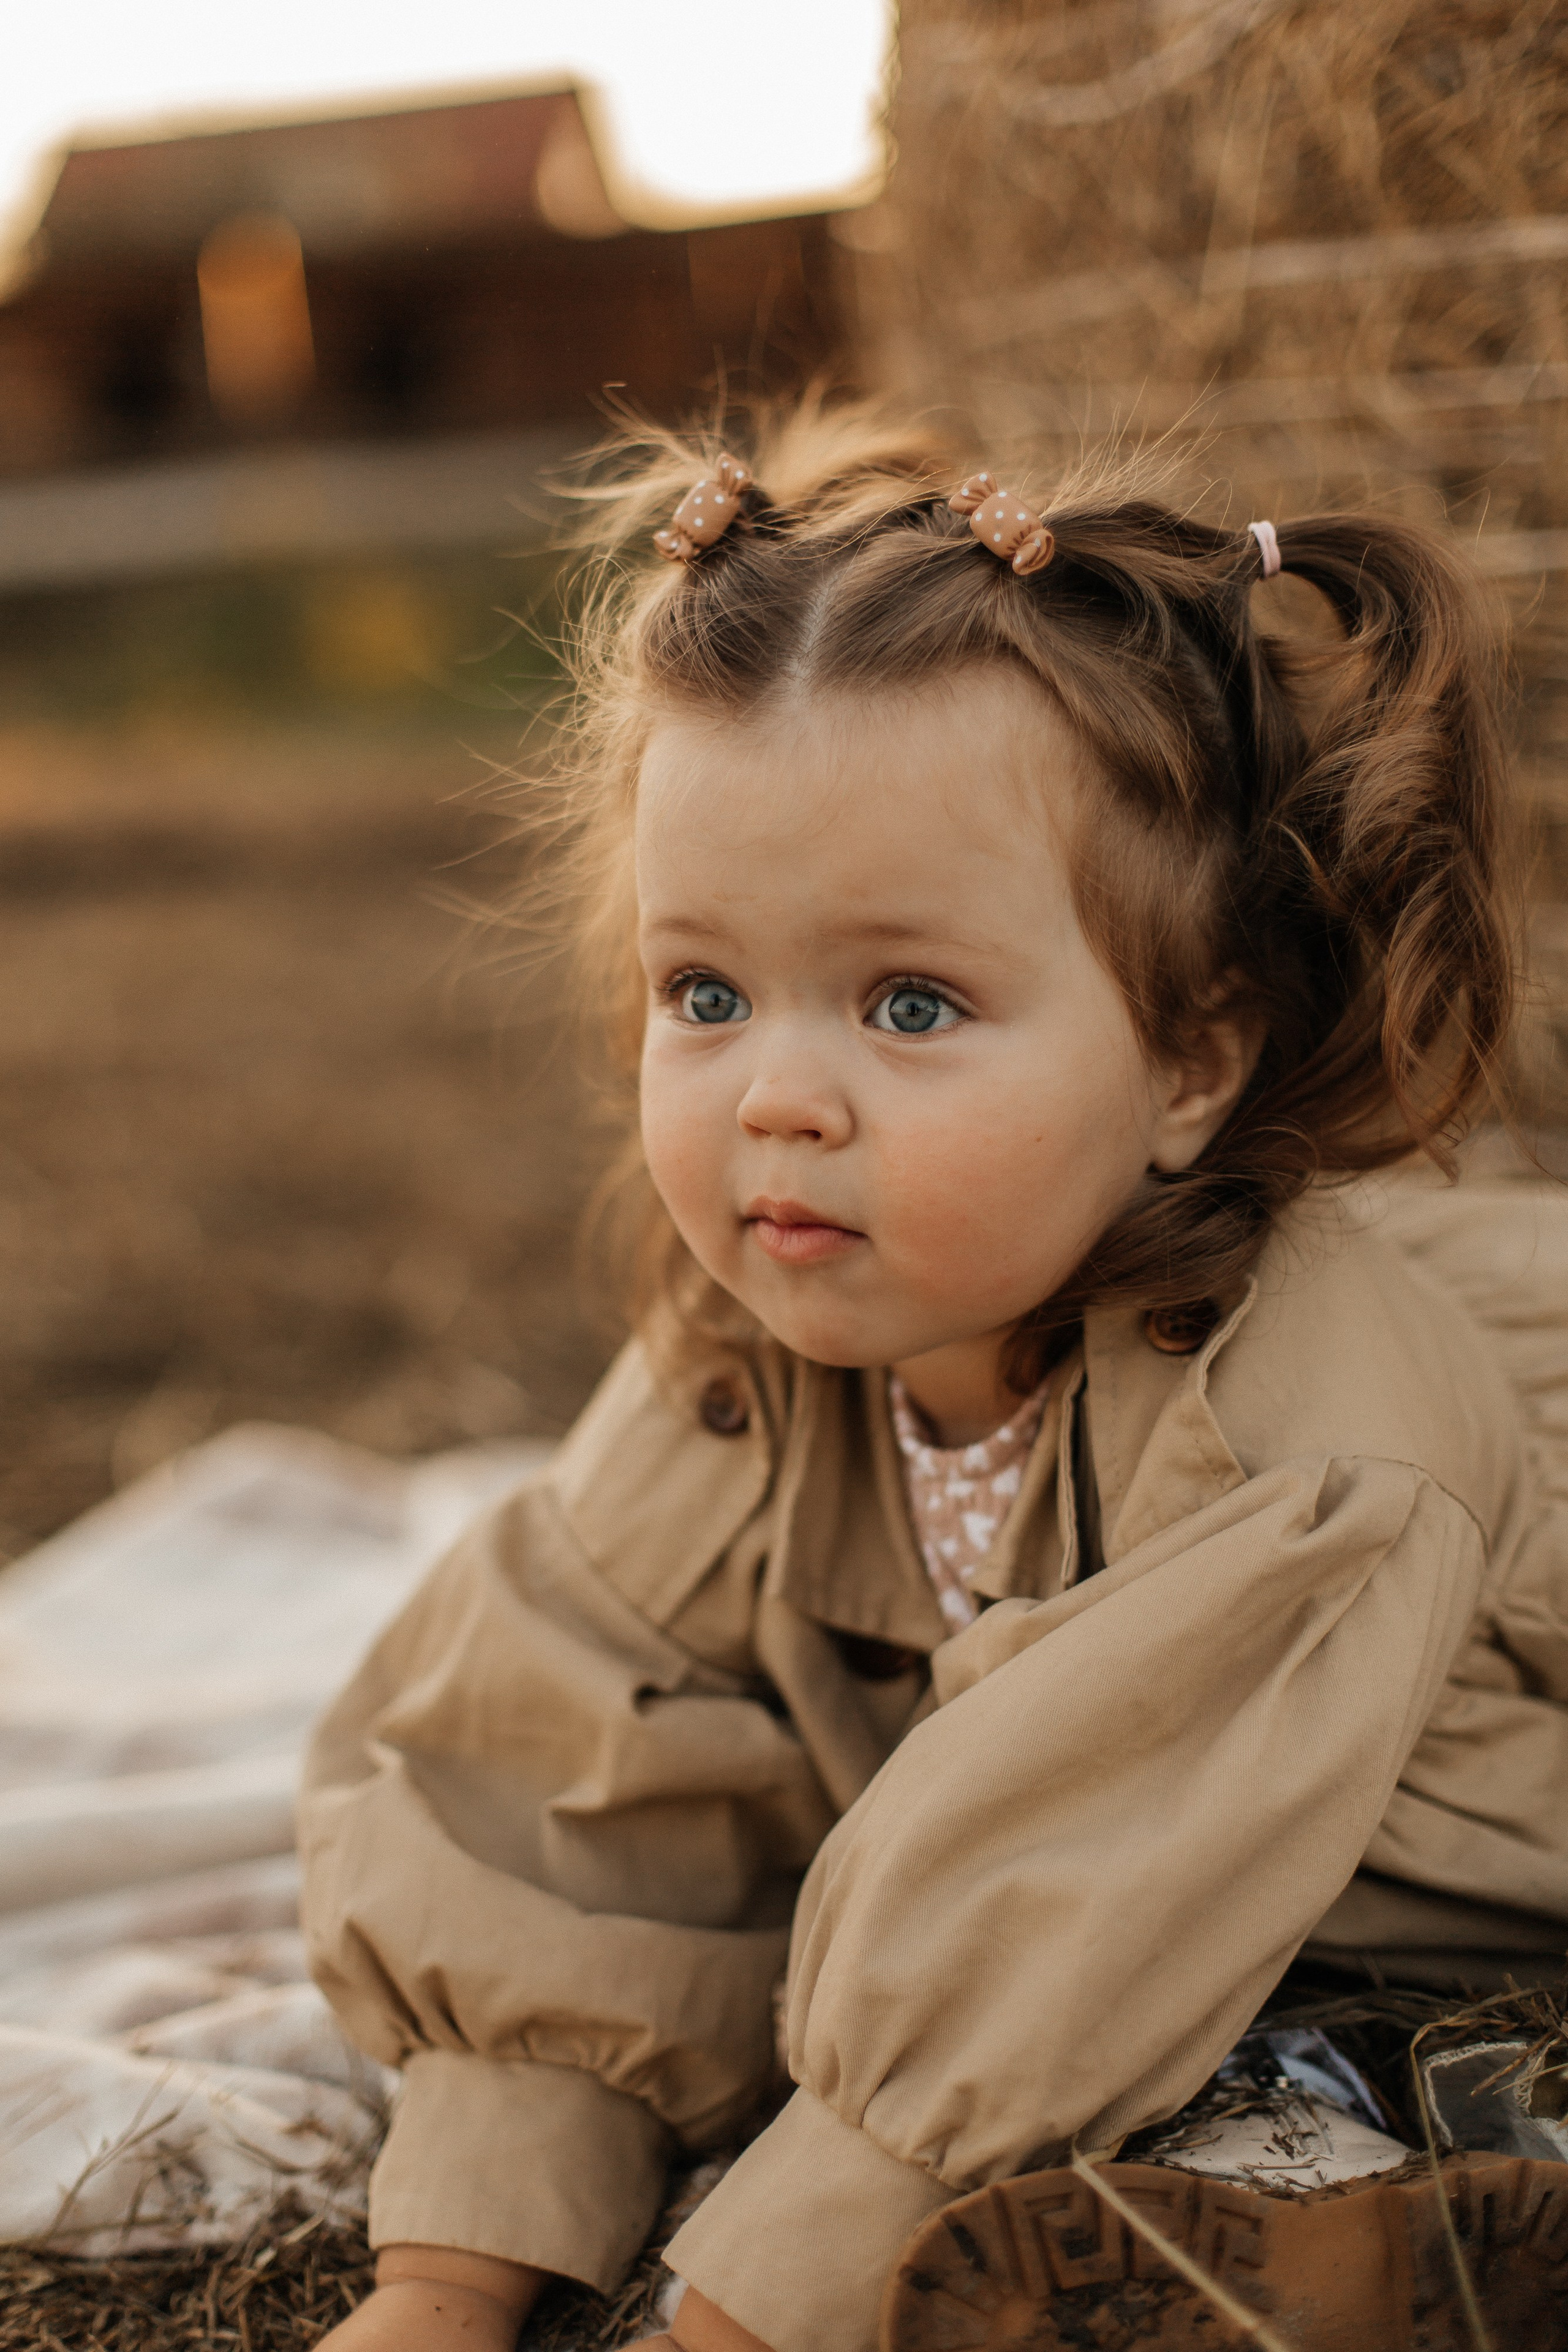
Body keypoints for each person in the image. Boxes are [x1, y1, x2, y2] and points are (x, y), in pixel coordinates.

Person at [300, 406, 1568, 2352]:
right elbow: (573, 1751)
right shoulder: (755, 1359)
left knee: (1291, 2069)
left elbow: (1078, 1886)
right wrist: (451, 2276)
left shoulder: (1313, 1437)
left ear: (1186, 1069)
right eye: (702, 992)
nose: (779, 1097)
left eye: (910, 1005)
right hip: (1135, 1906)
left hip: (1409, 1880)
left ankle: (1411, 2222)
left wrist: (732, 2311)